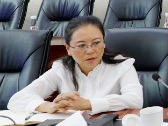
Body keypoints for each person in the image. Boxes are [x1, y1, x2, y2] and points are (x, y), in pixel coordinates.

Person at [8, 16, 143, 114]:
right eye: (81, 45)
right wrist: (47, 106)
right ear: (68, 48)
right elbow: (17, 100)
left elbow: (135, 100)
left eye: (96, 43)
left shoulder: (122, 65)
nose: (90, 51)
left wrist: (87, 104)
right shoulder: (61, 69)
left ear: (104, 42)